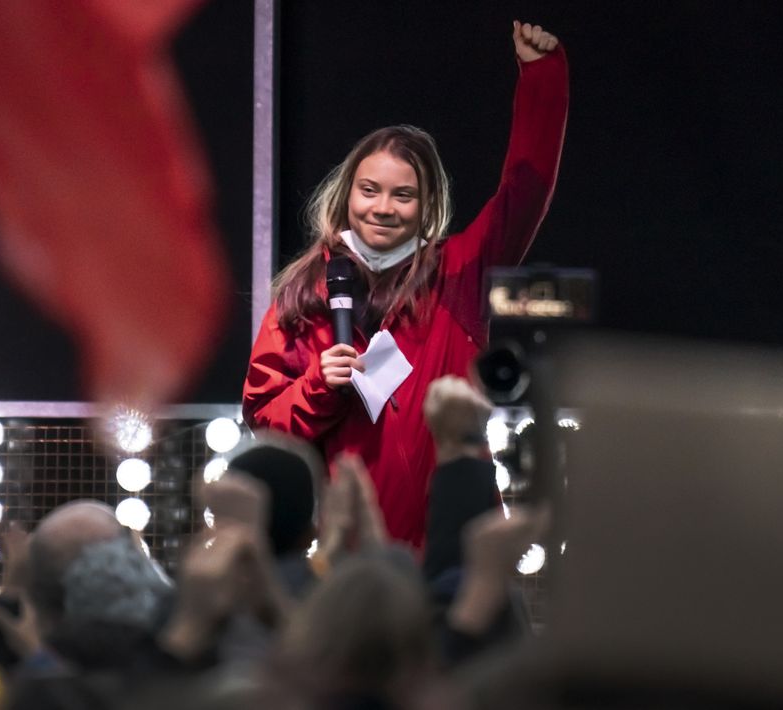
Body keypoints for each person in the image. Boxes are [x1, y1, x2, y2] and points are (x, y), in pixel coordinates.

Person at [243, 21, 568, 547]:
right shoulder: (305, 294)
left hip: (454, 548)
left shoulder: (460, 272)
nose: (383, 209)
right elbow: (263, 425)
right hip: (350, 555)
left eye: (403, 195)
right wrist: (318, 387)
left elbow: (526, 190)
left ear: (428, 207)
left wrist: (542, 80)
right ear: (348, 193)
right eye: (369, 190)